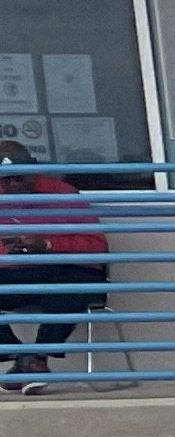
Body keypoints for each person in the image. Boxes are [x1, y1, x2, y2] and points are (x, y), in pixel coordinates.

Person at [0, 138, 112, 388]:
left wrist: (48, 245)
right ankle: (25, 358)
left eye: (18, 177)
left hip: (60, 269)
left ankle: (37, 357)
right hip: (12, 272)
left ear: (32, 169)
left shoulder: (63, 194)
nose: (11, 185)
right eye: (4, 179)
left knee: (76, 281)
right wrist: (9, 250)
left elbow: (97, 247)